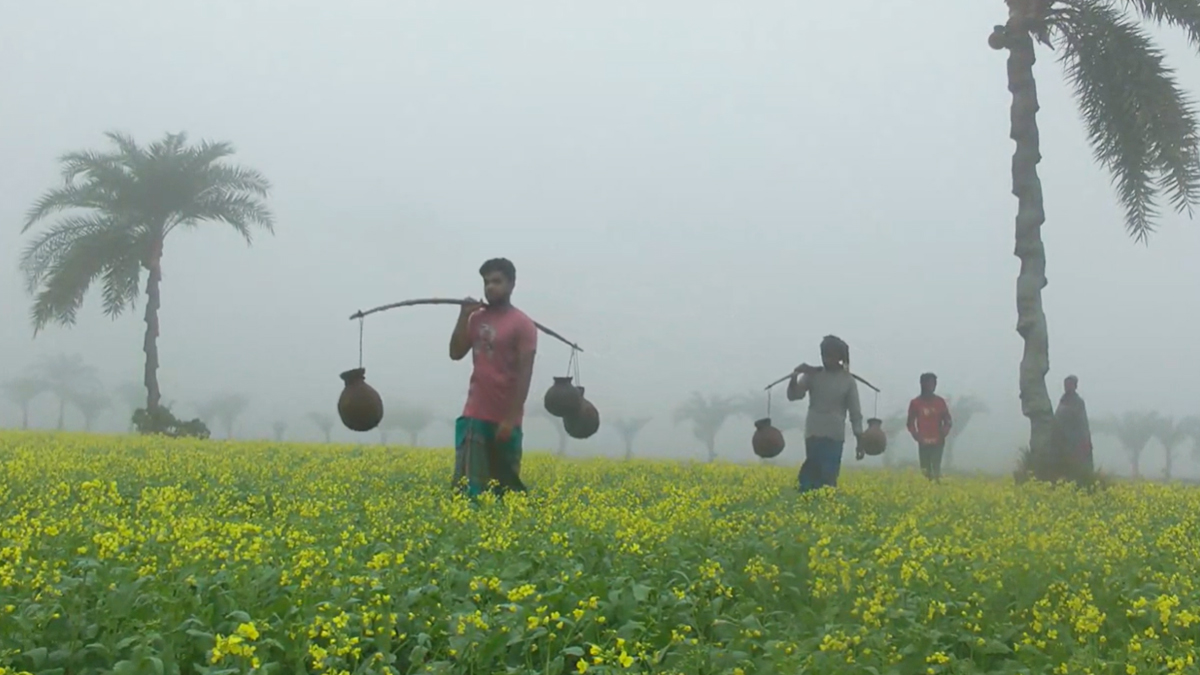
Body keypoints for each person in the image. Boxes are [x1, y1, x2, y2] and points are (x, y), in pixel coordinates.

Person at [448, 258, 538, 498]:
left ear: (511, 284)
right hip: (474, 415)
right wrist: (463, 315)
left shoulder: (523, 325)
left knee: (504, 491)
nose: (490, 288)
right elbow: (455, 353)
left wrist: (509, 420)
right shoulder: (476, 318)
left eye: (496, 282)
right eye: (486, 283)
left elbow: (524, 375)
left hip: (504, 421)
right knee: (468, 491)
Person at [787, 335, 864, 492]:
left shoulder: (848, 380)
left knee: (829, 477)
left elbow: (855, 414)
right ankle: (807, 505)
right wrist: (795, 376)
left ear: (840, 357)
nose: (826, 359)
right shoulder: (812, 375)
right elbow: (794, 395)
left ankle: (825, 505)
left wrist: (859, 439)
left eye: (831, 355)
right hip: (814, 433)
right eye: (824, 355)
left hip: (834, 435)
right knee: (811, 476)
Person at [906, 372, 953, 481]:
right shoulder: (915, 403)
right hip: (923, 442)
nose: (932, 386)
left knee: (936, 469)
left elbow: (948, 420)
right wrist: (916, 435)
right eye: (929, 383)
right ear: (922, 384)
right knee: (925, 470)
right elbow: (910, 423)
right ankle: (927, 490)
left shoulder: (940, 402)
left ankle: (937, 490)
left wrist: (944, 432)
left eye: (934, 383)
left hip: (938, 441)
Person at [1052, 375, 1093, 482]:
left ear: (1075, 386)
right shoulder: (1062, 401)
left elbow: (1083, 422)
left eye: (1070, 384)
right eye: (1066, 384)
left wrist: (1085, 440)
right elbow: (1057, 418)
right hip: (1062, 439)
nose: (1067, 387)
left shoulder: (1078, 402)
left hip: (1075, 440)